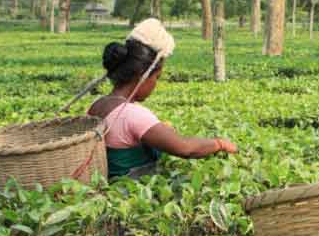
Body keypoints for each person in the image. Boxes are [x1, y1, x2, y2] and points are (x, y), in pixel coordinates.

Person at [87, 19, 237, 178]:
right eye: (157, 77)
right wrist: (219, 144)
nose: (155, 84)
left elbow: (124, 137)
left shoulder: (97, 104)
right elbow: (185, 148)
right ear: (142, 77)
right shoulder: (132, 114)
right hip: (132, 191)